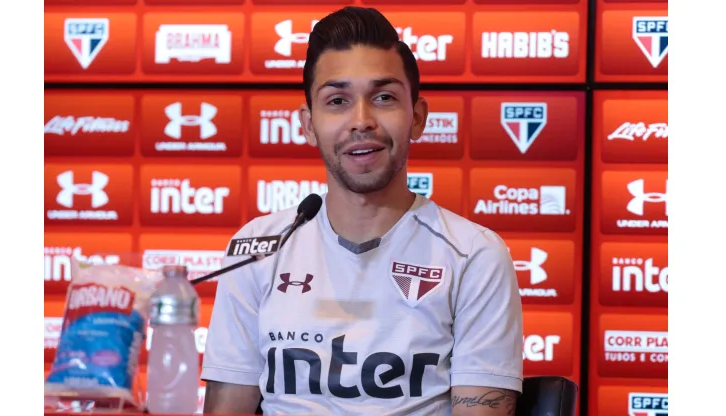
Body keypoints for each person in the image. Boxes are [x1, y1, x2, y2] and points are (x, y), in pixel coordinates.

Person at [201, 6, 523, 415]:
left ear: (417, 117)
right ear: (308, 124)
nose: (361, 121)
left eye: (384, 97)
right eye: (337, 101)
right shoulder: (257, 248)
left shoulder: (475, 255)